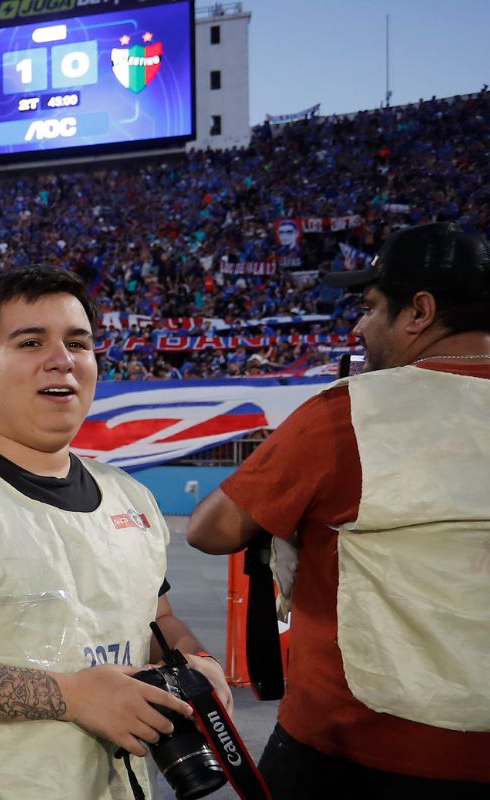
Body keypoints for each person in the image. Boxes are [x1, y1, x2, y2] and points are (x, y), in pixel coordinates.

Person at [0, 266, 231, 800]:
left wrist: (199, 665)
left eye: (78, 343)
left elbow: (157, 623)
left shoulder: (130, 497)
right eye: (31, 342)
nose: (62, 359)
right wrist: (75, 697)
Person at [186, 221, 490, 798]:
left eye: (371, 306)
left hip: (349, 746)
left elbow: (211, 529)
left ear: (419, 312)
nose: (359, 325)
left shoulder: (345, 413)